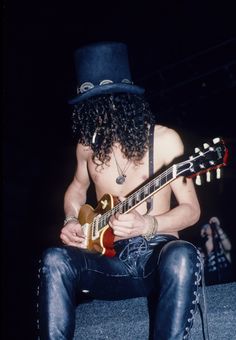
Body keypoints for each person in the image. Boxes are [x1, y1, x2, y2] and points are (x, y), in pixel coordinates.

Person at [38, 42, 202, 340]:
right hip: (110, 261)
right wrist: (70, 220)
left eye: (105, 103)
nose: (99, 114)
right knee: (54, 258)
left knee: (182, 253)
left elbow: (192, 210)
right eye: (90, 107)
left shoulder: (165, 140)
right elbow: (76, 189)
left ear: (126, 102)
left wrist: (148, 224)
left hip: (157, 256)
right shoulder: (87, 148)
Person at [200, 216, 233, 285]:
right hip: (212, 285)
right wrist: (207, 252)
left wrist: (218, 228)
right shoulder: (201, 249)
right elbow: (201, 271)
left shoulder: (220, 244)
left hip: (228, 282)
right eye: (204, 227)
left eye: (208, 226)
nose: (206, 228)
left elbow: (228, 247)